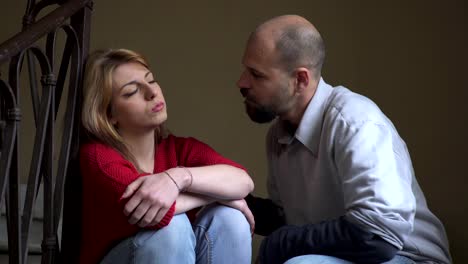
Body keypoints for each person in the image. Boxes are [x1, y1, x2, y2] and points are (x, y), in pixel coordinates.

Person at [238, 15, 452, 264]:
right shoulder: (278, 135)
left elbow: (378, 235)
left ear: (300, 80)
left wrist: (282, 242)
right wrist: (223, 197)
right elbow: (292, 219)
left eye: (256, 75)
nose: (241, 83)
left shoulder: (355, 122)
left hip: (406, 256)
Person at [80, 48, 255, 264]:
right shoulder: (98, 158)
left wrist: (179, 177)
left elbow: (243, 181)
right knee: (172, 225)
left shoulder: (180, 149)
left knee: (230, 218)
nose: (151, 93)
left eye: (151, 81)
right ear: (109, 114)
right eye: (132, 91)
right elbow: (157, 212)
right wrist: (218, 194)